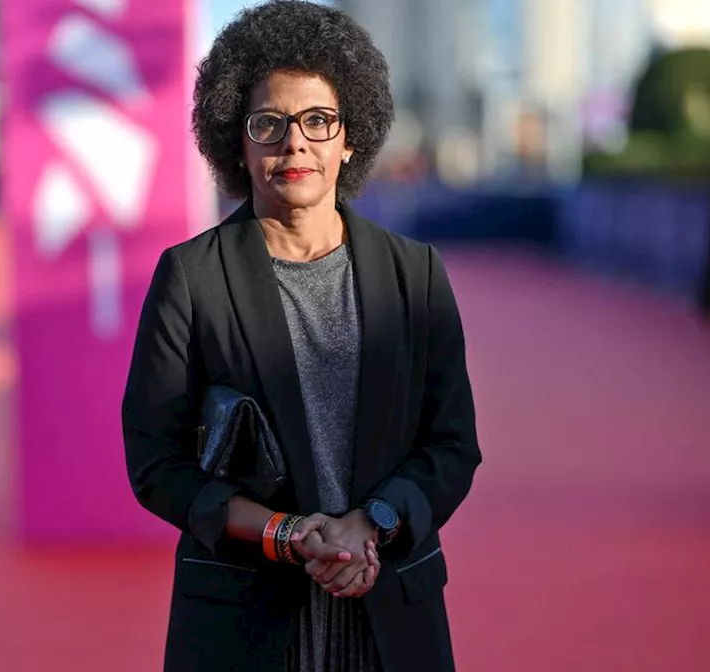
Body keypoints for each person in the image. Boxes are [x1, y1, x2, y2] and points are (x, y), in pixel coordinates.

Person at [122, 2, 482, 670]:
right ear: (238, 139)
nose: (296, 144)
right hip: (242, 622)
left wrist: (372, 523)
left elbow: (453, 445)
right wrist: (283, 534)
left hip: (390, 611)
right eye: (271, 124)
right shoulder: (191, 277)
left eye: (318, 121)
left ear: (350, 137)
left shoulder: (416, 274)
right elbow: (155, 463)